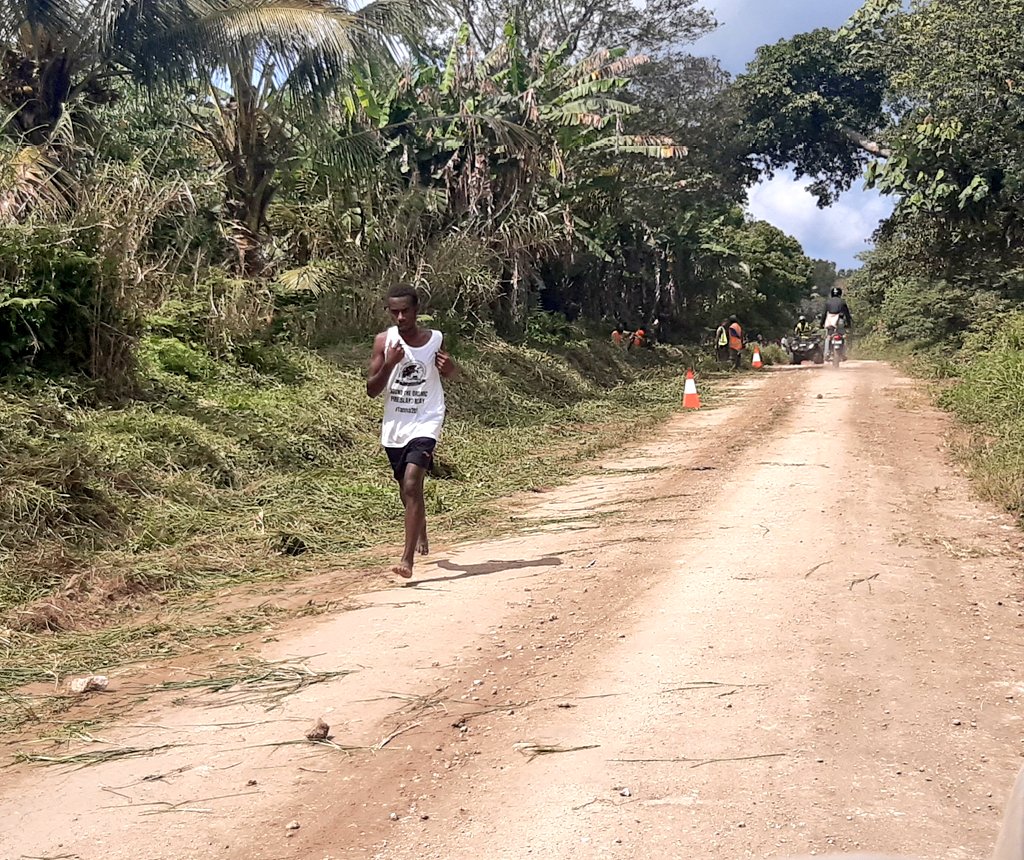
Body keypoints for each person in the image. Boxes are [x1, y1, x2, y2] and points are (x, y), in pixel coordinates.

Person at [366, 285, 457, 579]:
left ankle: (407, 560)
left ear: (417, 310)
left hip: (427, 419)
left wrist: (450, 369)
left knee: (411, 482)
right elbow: (371, 390)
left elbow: (452, 372)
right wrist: (390, 364)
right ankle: (419, 529)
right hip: (396, 424)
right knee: (406, 490)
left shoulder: (436, 339)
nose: (401, 317)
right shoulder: (384, 341)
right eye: (395, 312)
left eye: (406, 311)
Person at [819, 287, 853, 358]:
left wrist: (821, 324)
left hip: (830, 321)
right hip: (840, 321)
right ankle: (843, 353)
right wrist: (848, 324)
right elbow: (847, 315)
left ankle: (827, 353)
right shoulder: (842, 302)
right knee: (843, 336)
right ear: (840, 293)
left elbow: (824, 314)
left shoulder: (828, 302)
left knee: (828, 337)